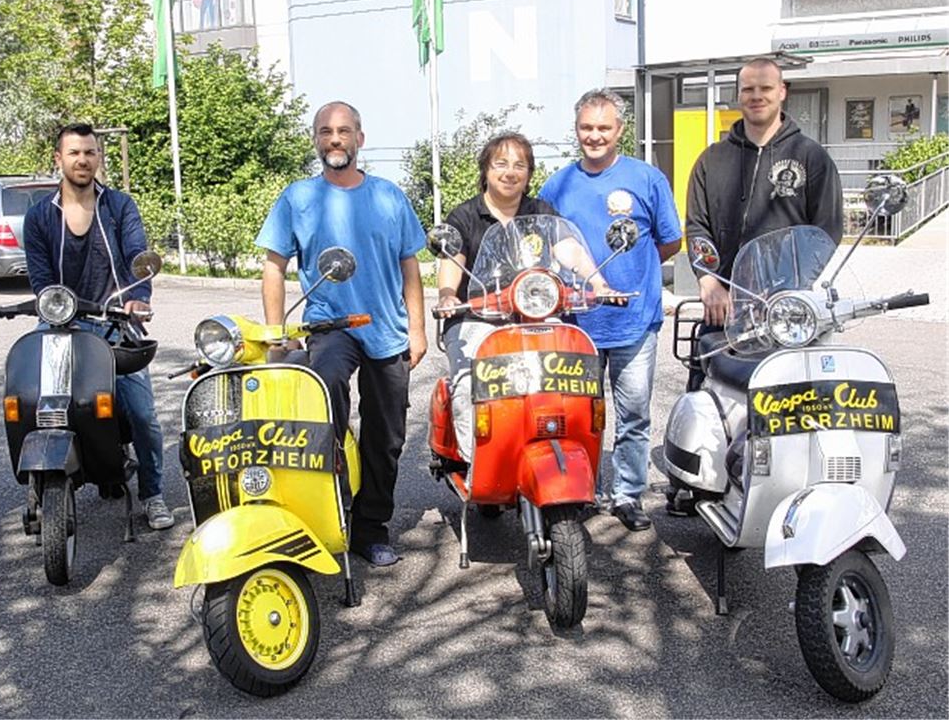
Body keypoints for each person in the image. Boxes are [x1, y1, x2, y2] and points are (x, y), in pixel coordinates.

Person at [256, 101, 426, 567]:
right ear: (315, 139)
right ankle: (328, 512)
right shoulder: (297, 197)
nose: (335, 139)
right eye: (326, 131)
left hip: (387, 330)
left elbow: (410, 265)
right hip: (331, 327)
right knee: (323, 400)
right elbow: (274, 265)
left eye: (344, 131)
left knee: (386, 435)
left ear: (359, 140)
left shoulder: (390, 196)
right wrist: (276, 334)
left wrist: (417, 329)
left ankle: (371, 528)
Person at [538, 88, 682, 531]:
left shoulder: (646, 178)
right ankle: (580, 490)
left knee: (633, 413)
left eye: (604, 127)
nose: (594, 136)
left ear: (620, 130)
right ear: (576, 129)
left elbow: (670, 239)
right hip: (577, 323)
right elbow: (542, 241)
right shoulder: (557, 184)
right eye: (586, 127)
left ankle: (627, 495)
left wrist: (636, 276)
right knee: (579, 415)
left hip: (634, 322)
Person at [22, 123, 173, 531]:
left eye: (90, 152)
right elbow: (39, 279)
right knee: (29, 399)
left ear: (98, 157)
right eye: (74, 153)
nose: (83, 160)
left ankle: (153, 493)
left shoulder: (119, 206)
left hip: (113, 322)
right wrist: (51, 307)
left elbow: (138, 254)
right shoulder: (39, 217)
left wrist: (138, 297)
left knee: (143, 414)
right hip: (59, 325)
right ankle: (37, 481)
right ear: (59, 159)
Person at [436, 132, 616, 461]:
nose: (510, 172)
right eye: (500, 164)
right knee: (466, 387)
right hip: (478, 319)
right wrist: (448, 295)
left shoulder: (540, 212)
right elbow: (453, 260)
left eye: (520, 165)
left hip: (535, 316)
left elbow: (568, 249)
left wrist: (598, 283)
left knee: (569, 385)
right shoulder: (465, 216)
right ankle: (479, 466)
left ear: (529, 174)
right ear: (486, 170)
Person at [686, 57, 843, 329]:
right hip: (724, 307)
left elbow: (826, 231)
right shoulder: (711, 159)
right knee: (713, 371)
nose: (756, 96)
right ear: (738, 95)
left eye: (765, 88)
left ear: (782, 91)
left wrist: (789, 282)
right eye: (748, 89)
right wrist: (708, 280)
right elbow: (697, 226)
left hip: (786, 309)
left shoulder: (811, 157)